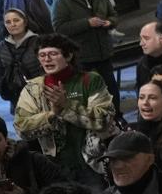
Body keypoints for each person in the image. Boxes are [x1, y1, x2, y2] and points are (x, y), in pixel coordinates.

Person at [14, 33, 118, 180]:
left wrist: (66, 106)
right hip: (55, 167)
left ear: (68, 56)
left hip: (92, 163)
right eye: (42, 55)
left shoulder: (90, 80)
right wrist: (52, 114)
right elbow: (22, 128)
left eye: (53, 54)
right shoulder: (33, 89)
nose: (47, 59)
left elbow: (103, 119)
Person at [51, 0, 118, 100]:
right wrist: (87, 23)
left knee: (111, 88)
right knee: (87, 93)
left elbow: (114, 15)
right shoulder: (62, 2)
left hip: (103, 52)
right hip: (81, 56)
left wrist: (110, 22)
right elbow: (59, 28)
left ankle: (117, 116)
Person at [0, 8, 44, 106]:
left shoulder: (38, 42)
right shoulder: (2, 46)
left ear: (25, 22)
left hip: (41, 94)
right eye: (8, 22)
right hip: (16, 98)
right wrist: (2, 88)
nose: (13, 24)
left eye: (16, 20)